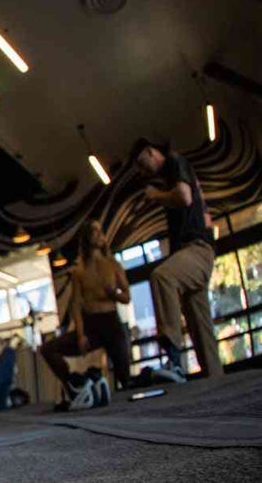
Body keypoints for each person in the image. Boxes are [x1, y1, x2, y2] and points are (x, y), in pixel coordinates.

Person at [130, 137, 221, 383]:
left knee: (162, 277)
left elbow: (184, 197)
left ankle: (174, 360)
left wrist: (155, 195)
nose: (144, 171)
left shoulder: (174, 161)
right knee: (200, 329)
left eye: (142, 164)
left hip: (197, 249)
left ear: (151, 151)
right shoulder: (169, 177)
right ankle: (217, 382)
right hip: (192, 252)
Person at [41, 219, 131, 405]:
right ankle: (75, 384)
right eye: (94, 231)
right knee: (48, 349)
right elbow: (76, 305)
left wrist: (113, 294)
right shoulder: (79, 271)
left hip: (111, 322)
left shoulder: (112, 264)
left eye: (100, 231)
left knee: (126, 379)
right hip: (91, 325)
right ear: (87, 237)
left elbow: (127, 297)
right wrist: (81, 334)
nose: (99, 235)